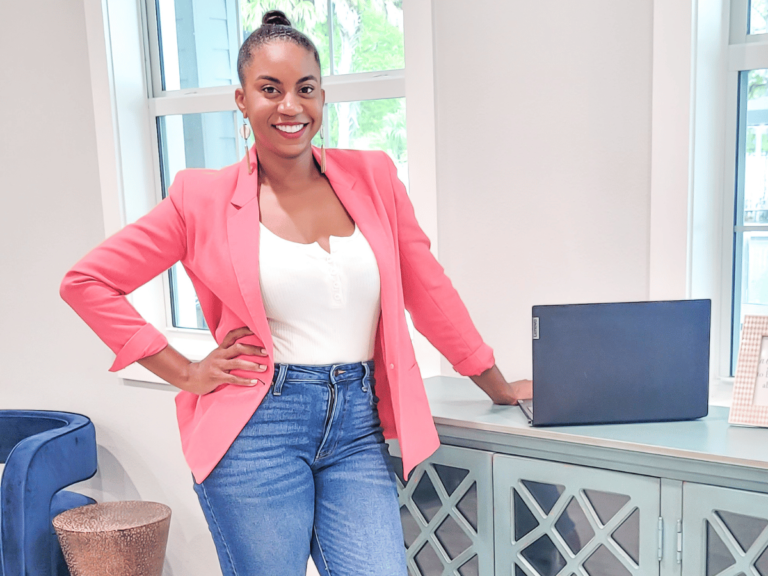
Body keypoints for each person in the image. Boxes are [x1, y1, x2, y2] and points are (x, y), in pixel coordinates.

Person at [60, 10, 532, 576]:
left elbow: (429, 289)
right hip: (257, 428)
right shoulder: (201, 198)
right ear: (241, 100)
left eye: (305, 89)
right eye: (270, 89)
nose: (290, 106)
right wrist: (184, 372)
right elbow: (86, 282)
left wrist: (495, 381)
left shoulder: (375, 178)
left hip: (358, 423)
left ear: (322, 97)